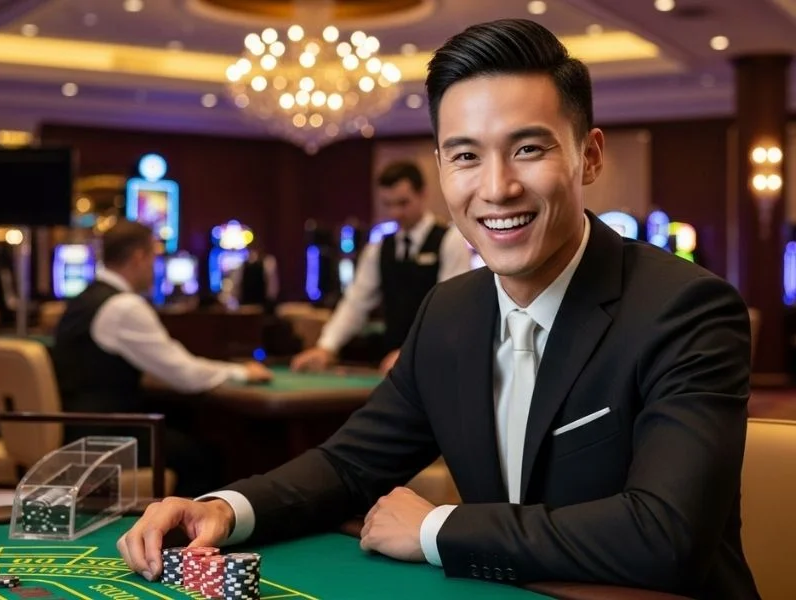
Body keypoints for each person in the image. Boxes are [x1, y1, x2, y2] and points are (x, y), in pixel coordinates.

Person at [118, 19, 759, 599]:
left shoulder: (687, 310)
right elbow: (350, 464)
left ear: (588, 155)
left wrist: (436, 529)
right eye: (465, 155)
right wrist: (227, 509)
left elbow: (664, 536)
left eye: (529, 149)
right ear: (442, 168)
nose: (496, 186)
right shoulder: (449, 312)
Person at [51, 219, 272, 497]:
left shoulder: (84, 298)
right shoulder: (124, 306)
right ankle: (189, 534)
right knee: (206, 457)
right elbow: (185, 375)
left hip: (78, 430)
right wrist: (241, 372)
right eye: (154, 257)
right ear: (139, 257)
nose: (156, 268)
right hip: (104, 436)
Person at [290, 161, 472, 374]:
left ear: (423, 194)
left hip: (438, 363)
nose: (396, 213)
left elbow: (451, 311)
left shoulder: (450, 240)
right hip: (390, 366)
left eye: (403, 203)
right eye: (388, 204)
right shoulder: (378, 248)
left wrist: (412, 352)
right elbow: (355, 303)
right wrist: (326, 347)